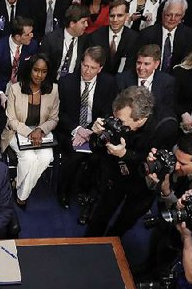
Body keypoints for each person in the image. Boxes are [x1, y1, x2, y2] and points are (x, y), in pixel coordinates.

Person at [84, 85, 178, 236]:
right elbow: (97, 148)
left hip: (142, 183)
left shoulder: (166, 126)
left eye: (121, 122)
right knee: (101, 213)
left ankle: (112, 246)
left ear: (140, 119)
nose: (117, 123)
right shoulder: (121, 110)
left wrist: (125, 154)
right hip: (115, 173)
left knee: (125, 221)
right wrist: (96, 134)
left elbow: (156, 165)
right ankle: (89, 243)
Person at [55, 46, 117, 214]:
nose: (87, 71)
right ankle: (63, 192)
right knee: (73, 157)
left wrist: (89, 131)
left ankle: (86, 191)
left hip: (95, 131)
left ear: (100, 68)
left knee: (97, 158)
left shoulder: (109, 83)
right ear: (81, 63)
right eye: (85, 65)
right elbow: (60, 114)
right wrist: (78, 129)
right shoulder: (66, 82)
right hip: (71, 130)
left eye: (93, 68)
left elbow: (108, 112)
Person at [2, 53, 59, 205]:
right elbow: (11, 120)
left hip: (41, 132)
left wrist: (39, 130)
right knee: (29, 158)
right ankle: (22, 197)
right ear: (29, 70)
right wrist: (29, 132)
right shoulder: (15, 89)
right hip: (16, 132)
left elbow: (54, 118)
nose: (39, 75)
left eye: (44, 71)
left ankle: (19, 187)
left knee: (46, 157)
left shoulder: (53, 90)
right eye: (36, 70)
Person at [0, 16, 38, 143]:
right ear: (18, 37)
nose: (32, 36)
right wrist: (0, 94)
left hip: (21, 86)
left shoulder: (33, 46)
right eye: (28, 34)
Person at [132, 0, 192, 73]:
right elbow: (134, 62)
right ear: (163, 14)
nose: (172, 19)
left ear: (182, 16)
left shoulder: (188, 34)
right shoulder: (147, 34)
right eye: (169, 15)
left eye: (177, 15)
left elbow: (187, 63)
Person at [116, 43, 178, 120]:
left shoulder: (167, 82)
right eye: (139, 63)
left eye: (146, 64)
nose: (141, 67)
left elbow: (167, 111)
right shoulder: (122, 79)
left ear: (156, 64)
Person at [89, 0, 139, 75]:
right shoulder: (96, 36)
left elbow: (130, 66)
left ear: (127, 16)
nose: (115, 20)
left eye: (119, 15)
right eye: (112, 16)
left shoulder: (133, 38)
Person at [39, 3, 90, 79]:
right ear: (72, 24)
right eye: (83, 22)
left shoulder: (86, 39)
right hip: (52, 82)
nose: (87, 25)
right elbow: (42, 65)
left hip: (72, 83)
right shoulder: (50, 39)